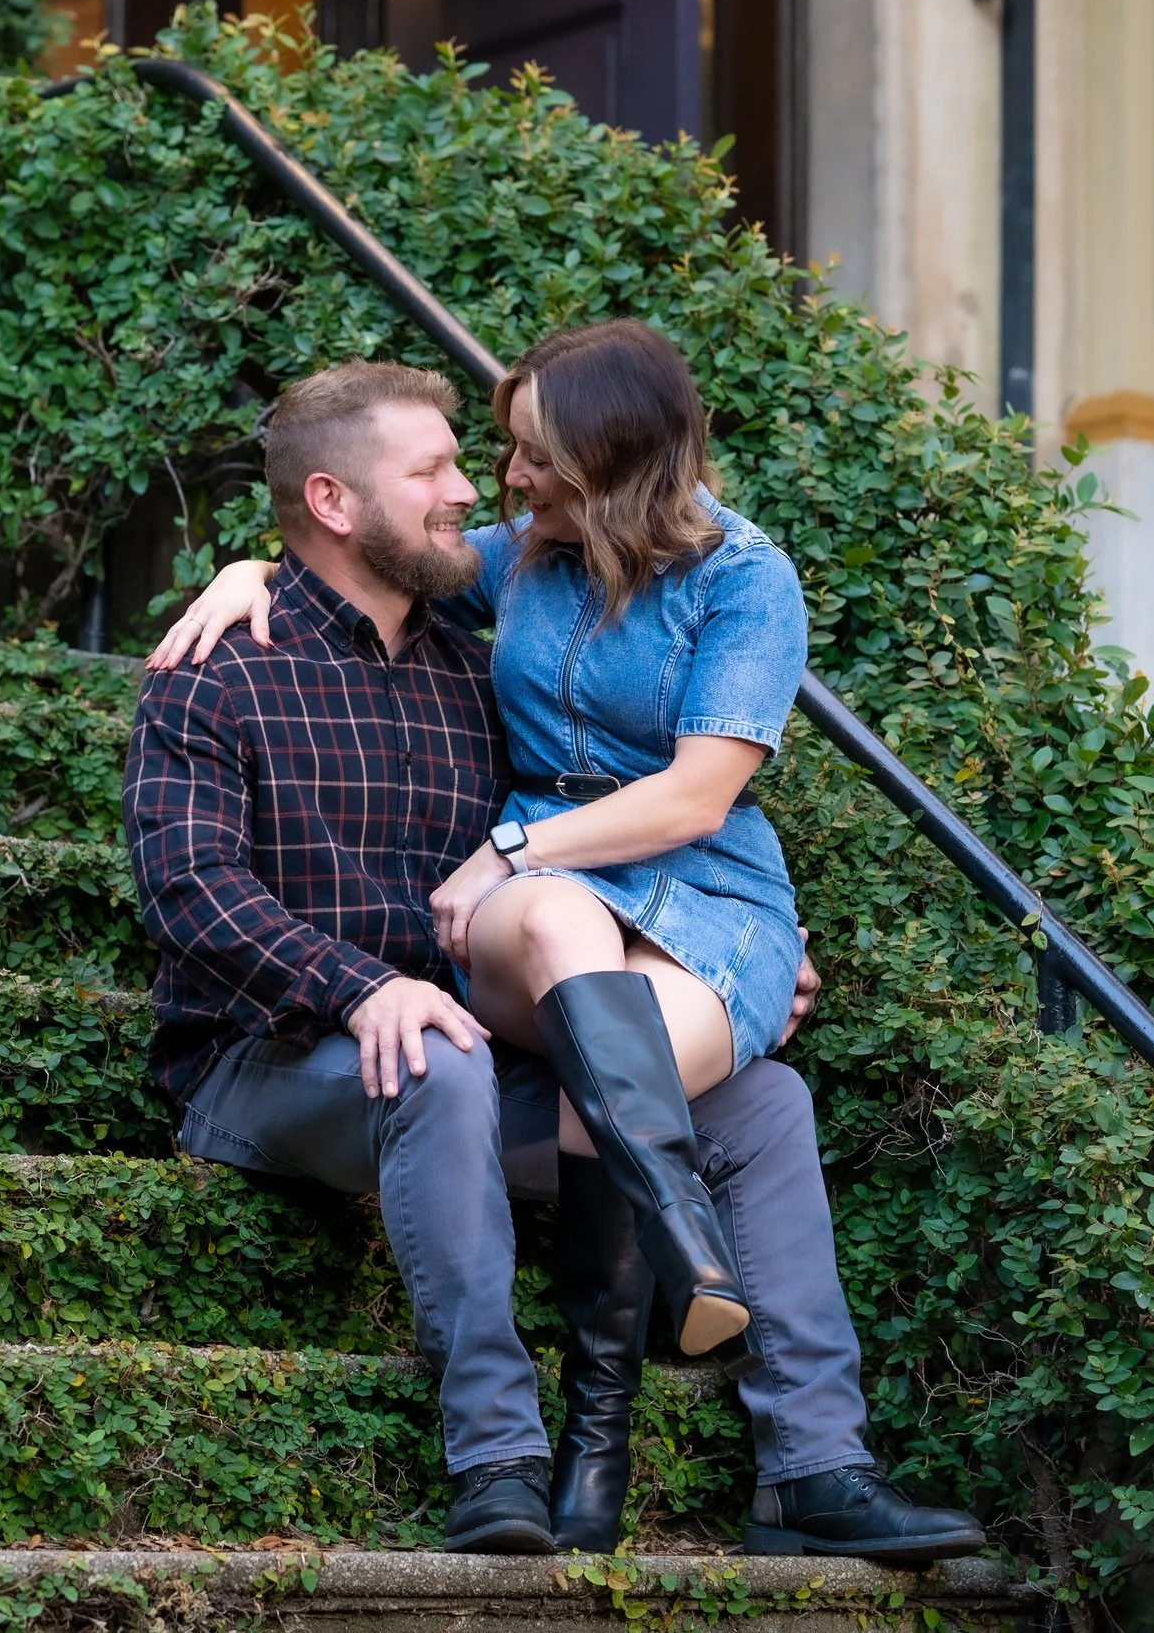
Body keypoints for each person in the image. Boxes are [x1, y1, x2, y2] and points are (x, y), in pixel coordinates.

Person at [128, 343, 984, 1560]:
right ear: (336, 500)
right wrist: (365, 986)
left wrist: (714, 973)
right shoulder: (222, 673)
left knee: (763, 1100)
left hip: (498, 1008)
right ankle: (501, 1459)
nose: (481, 486)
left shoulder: (474, 671)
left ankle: (811, 1465)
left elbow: (656, 816)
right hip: (274, 1055)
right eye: (439, 466)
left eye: (504, 458)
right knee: (441, 1056)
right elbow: (188, 892)